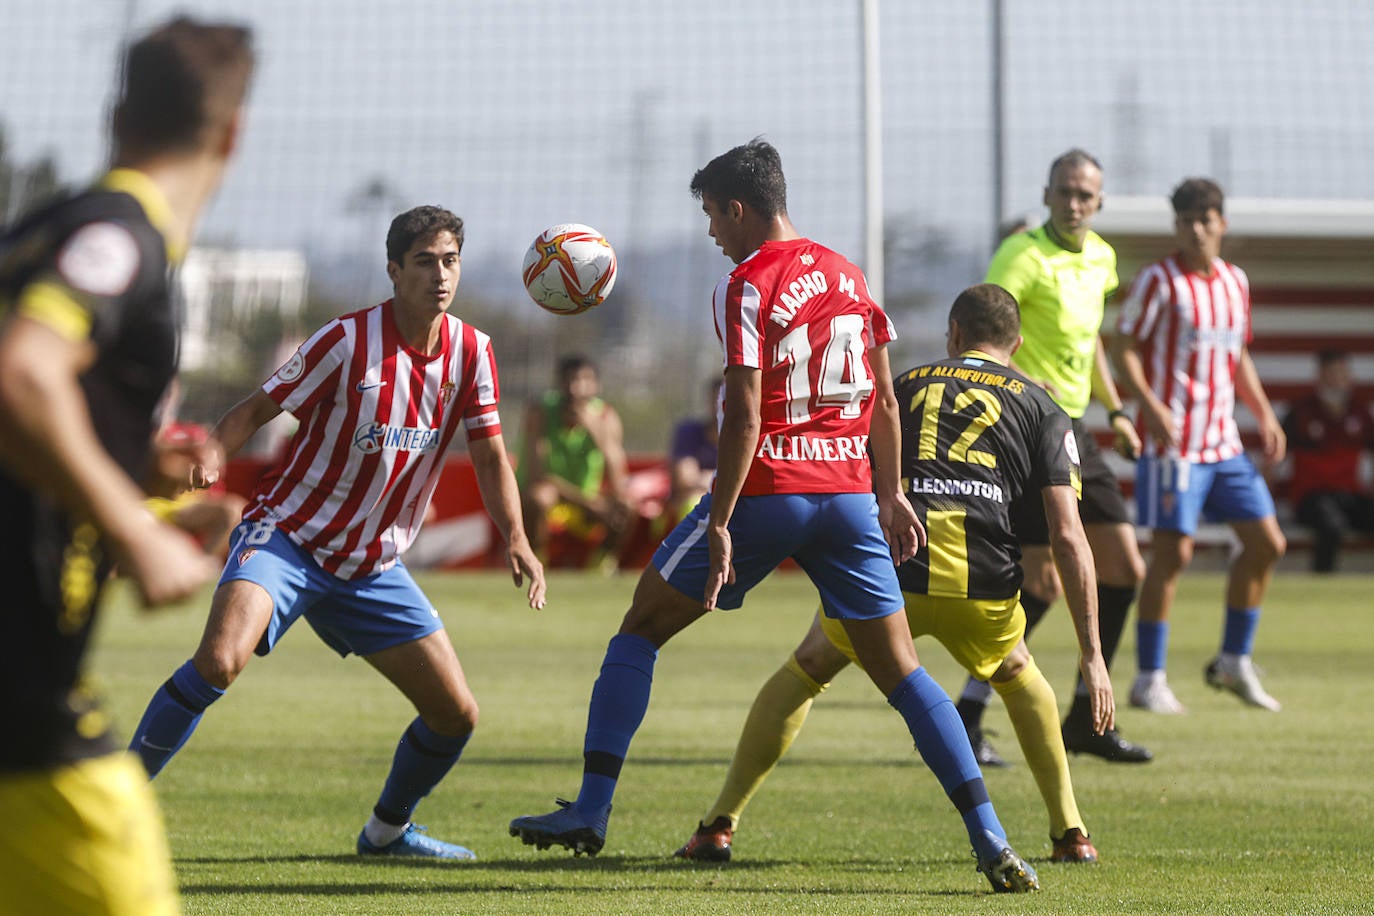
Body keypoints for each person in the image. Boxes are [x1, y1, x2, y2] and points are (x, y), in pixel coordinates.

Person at [509, 139, 1040, 893]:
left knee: (640, 628)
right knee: (903, 673)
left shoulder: (747, 284)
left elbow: (745, 411)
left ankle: (590, 811)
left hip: (770, 490)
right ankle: (991, 839)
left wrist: (720, 517)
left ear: (738, 208)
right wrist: (890, 494)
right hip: (852, 498)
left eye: (711, 217)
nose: (711, 234)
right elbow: (885, 402)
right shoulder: (851, 274)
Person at [127, 205, 547, 861]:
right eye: (424, 261)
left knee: (455, 714)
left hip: (374, 567)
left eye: (450, 261)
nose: (440, 275)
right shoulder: (347, 342)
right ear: (393, 270)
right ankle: (120, 804)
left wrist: (517, 536)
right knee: (219, 661)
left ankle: (386, 833)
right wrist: (213, 452)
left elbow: (492, 455)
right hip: (289, 539)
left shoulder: (473, 353)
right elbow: (256, 407)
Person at [673, 284, 1113, 866]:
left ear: (953, 333)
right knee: (1016, 672)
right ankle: (1070, 833)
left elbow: (843, 465)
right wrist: (1093, 655)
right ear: (1018, 344)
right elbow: (1067, 534)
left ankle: (719, 824)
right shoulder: (1042, 404)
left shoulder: (901, 385)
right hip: (978, 583)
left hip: (890, 572)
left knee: (808, 666)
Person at [0, 17, 253, 915]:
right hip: (25, 703)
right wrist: (130, 533)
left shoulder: (42, 228)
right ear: (234, 133)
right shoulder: (122, 235)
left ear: (115, 115)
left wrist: (130, 463)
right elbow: (21, 375)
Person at [957, 149, 1150, 765]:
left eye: (1085, 195)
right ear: (1046, 194)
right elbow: (984, 326)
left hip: (1077, 428)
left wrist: (1115, 407)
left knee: (1123, 568)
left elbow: (1089, 339)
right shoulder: (1021, 254)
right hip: (1028, 425)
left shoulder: (1102, 259)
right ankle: (967, 708)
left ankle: (1084, 723)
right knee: (1042, 580)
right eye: (1064, 191)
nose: (1074, 203)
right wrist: (1021, 382)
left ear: (1099, 202)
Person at [1113, 177, 1287, 714]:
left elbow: (1236, 356)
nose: (1195, 229)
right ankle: (1149, 678)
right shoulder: (1160, 281)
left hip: (1224, 443)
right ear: (1177, 226)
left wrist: (1262, 412)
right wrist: (1150, 405)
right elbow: (1122, 345)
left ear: (1221, 224)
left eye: (1204, 219)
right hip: (1174, 447)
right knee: (1173, 555)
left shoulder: (1236, 281)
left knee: (1267, 544)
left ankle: (1234, 661)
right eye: (1185, 220)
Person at [519, 355, 633, 568]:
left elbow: (619, 477)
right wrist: (585, 502)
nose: (575, 388)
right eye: (569, 380)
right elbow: (538, 477)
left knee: (627, 506)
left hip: (589, 501)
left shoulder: (606, 416)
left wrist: (596, 432)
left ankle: (600, 566)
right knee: (538, 497)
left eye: (583, 381)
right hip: (556, 500)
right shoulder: (540, 412)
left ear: (596, 386)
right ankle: (535, 561)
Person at [1281, 350, 1374, 572]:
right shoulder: (1301, 412)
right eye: (1332, 373)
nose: (1338, 379)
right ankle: (1323, 581)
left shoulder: (1359, 411)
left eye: (1343, 373)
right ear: (1320, 375)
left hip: (1349, 493)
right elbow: (1274, 456)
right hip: (1311, 496)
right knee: (1331, 526)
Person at [665, 377, 721, 520]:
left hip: (728, 505)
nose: (720, 406)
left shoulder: (751, 439)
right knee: (694, 504)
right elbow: (685, 480)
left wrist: (707, 478)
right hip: (684, 505)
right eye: (717, 400)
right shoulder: (688, 432)